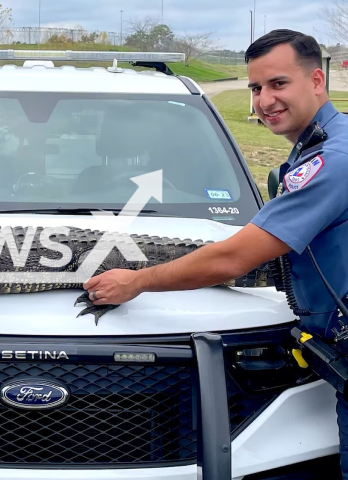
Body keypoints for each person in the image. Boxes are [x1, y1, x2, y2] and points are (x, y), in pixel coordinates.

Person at [84, 29, 348, 476]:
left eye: (278, 84)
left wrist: (137, 280)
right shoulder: (316, 151)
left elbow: (233, 258)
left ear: (317, 81)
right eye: (256, 88)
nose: (264, 101)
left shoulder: (332, 160)